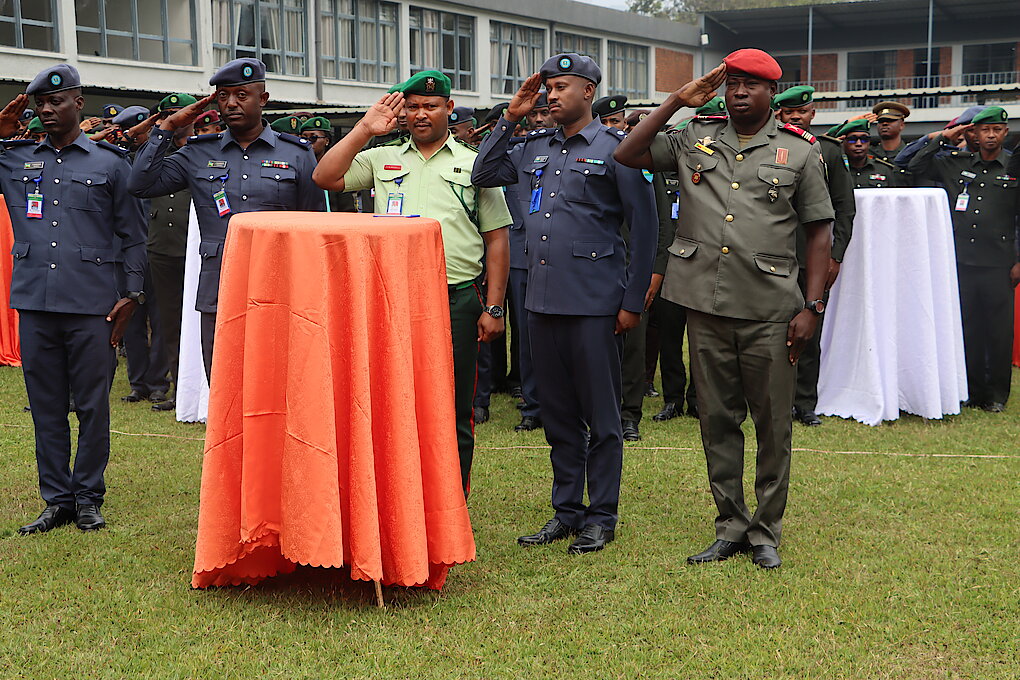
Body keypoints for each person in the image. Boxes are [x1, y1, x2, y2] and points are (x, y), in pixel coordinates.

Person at [615, 49, 834, 569]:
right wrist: (676, 100)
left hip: (770, 309)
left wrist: (813, 305)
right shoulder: (695, 135)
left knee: (773, 424)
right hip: (705, 304)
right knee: (716, 420)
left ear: (772, 92)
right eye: (732, 83)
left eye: (750, 84)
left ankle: (765, 531)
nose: (738, 92)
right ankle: (731, 525)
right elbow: (627, 152)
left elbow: (819, 231)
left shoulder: (800, 151)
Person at [472, 53, 657, 554]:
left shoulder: (617, 149)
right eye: (548, 89)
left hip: (595, 303)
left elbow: (645, 229)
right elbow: (483, 173)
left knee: (602, 417)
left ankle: (602, 515)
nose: (551, 96)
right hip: (541, 301)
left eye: (561, 87)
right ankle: (567, 510)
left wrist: (632, 302)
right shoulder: (535, 145)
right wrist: (511, 116)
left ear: (588, 91)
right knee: (557, 415)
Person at [311, 70, 512, 496]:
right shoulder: (382, 157)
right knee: (390, 402)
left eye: (431, 106)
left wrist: (494, 307)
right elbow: (325, 177)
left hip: (455, 298)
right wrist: (365, 129)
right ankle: (397, 499)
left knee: (453, 405)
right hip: (391, 299)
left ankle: (450, 502)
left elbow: (497, 239)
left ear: (449, 109)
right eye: (414, 107)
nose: (421, 114)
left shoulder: (474, 163)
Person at [0, 64, 147, 534]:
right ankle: (57, 501)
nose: (46, 109)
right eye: (40, 103)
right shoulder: (15, 158)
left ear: (78, 104)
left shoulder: (110, 163)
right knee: (45, 408)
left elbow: (133, 235)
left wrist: (133, 294)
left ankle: (88, 497)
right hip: (36, 304)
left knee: (92, 406)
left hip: (92, 305)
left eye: (56, 101)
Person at [129, 58, 324, 380]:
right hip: (218, 289)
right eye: (223, 96)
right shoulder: (198, 152)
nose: (231, 103)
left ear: (263, 99)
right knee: (222, 381)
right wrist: (167, 128)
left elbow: (312, 226)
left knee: (277, 380)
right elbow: (140, 184)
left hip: (278, 290)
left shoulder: (296, 153)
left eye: (241, 95)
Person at [908, 106, 1018, 412]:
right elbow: (913, 166)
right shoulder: (957, 162)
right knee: (967, 328)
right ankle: (972, 390)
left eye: (996, 130)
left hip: (999, 263)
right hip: (961, 262)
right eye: (985, 130)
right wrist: (944, 136)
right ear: (974, 134)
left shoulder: (1014, 165)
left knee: (998, 332)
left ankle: (996, 394)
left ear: (1005, 132)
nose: (991, 135)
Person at [773, 85, 856, 427]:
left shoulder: (829, 151)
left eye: (802, 112)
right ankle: (772, 400)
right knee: (769, 332)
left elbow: (844, 207)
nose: (796, 116)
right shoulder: (769, 146)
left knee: (809, 332)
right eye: (789, 112)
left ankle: (805, 403)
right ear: (779, 114)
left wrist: (835, 255)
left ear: (813, 114)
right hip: (772, 255)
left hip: (813, 257)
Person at [145, 93, 197, 413]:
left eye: (181, 114)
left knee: (200, 323)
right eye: (168, 115)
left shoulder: (204, 150)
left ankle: (205, 389)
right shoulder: (154, 152)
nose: (175, 120)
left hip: (195, 250)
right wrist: (156, 130)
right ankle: (180, 391)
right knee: (170, 324)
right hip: (162, 248)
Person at [299, 116, 357, 212]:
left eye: (313, 138)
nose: (308, 142)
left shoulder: (336, 168)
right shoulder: (298, 167)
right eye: (304, 138)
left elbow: (347, 207)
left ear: (327, 141)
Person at [839, 119, 913, 188]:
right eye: (852, 139)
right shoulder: (837, 169)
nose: (859, 144)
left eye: (864, 139)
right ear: (843, 142)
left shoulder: (884, 169)